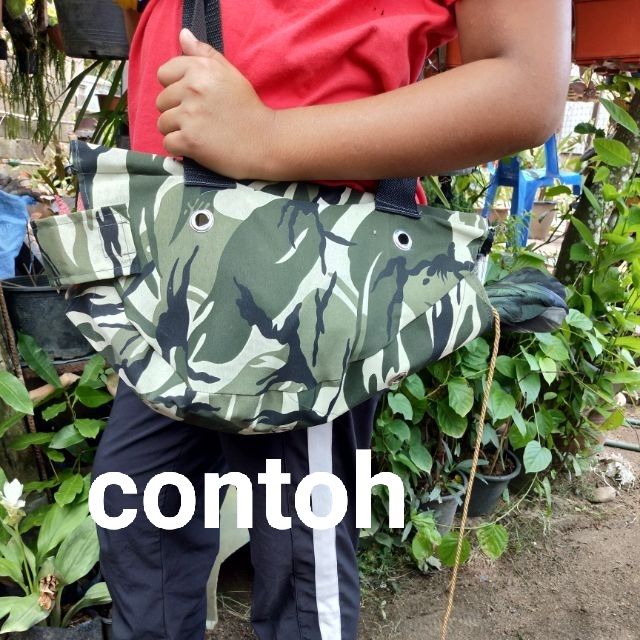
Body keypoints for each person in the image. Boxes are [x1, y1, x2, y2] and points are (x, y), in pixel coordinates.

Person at [93, 1, 571, 639]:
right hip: (181, 257)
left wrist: (264, 136)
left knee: (297, 554)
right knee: (136, 506)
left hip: (304, 273)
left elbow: (527, 86)